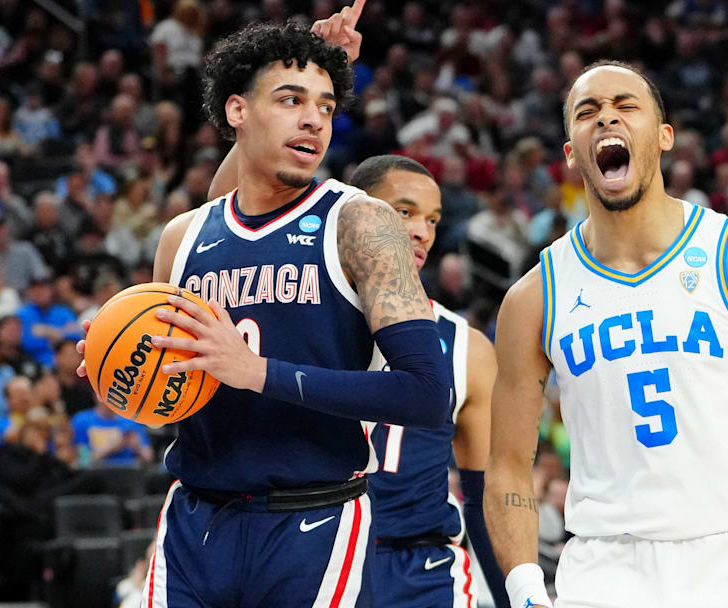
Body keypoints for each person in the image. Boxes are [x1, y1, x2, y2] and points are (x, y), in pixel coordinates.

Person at [78, 12, 451, 607]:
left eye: (327, 106)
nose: (313, 119)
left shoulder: (360, 222)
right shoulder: (183, 237)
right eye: (290, 99)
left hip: (316, 520)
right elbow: (168, 403)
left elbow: (428, 393)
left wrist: (258, 372)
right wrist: (122, 371)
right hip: (195, 521)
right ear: (236, 111)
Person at [485, 60, 728, 608]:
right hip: (601, 571)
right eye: (588, 112)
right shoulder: (534, 297)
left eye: (626, 106)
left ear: (664, 136)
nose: (606, 120)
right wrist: (527, 594)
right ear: (571, 152)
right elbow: (507, 464)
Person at [211, 152, 507, 606]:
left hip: (419, 567)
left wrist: (511, 597)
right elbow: (221, 206)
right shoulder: (301, 315)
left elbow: (483, 497)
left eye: (432, 219)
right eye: (403, 211)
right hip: (313, 544)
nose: (420, 230)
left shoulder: (469, 348)